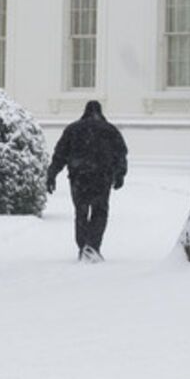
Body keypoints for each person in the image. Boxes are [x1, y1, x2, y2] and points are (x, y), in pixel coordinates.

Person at [46, 100, 128, 262]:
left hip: (79, 176)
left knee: (81, 212)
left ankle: (83, 245)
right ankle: (93, 245)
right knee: (100, 210)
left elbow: (60, 154)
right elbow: (121, 154)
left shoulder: (73, 129)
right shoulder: (110, 130)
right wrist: (120, 175)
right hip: (102, 176)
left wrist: (52, 174)